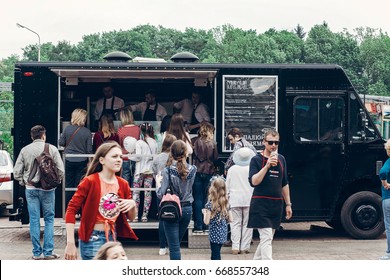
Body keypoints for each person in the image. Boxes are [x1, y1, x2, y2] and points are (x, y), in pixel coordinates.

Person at [64, 142, 138, 260]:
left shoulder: (123, 184)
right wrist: (71, 243)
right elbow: (71, 210)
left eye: (120, 157)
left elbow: (131, 218)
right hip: (92, 238)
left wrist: (133, 205)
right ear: (102, 160)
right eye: (114, 156)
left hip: (112, 238)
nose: (119, 160)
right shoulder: (90, 181)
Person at [14, 125, 65, 260]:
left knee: (34, 220)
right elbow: (61, 170)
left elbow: (16, 172)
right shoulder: (52, 149)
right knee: (49, 219)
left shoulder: (25, 150)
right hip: (48, 190)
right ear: (43, 136)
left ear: (32, 137)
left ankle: (36, 253)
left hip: (31, 189)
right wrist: (56, 181)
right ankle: (48, 252)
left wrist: (23, 182)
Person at [248, 129, 292, 260]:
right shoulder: (256, 159)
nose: (273, 145)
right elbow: (254, 181)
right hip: (260, 204)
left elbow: (284, 183)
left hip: (276, 204)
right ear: (264, 142)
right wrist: (267, 166)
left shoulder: (282, 159)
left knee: (267, 239)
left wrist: (288, 204)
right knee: (266, 237)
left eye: (276, 142)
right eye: (270, 142)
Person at [156, 140, 197, 260]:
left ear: (171, 154)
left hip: (172, 208)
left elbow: (160, 194)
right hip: (187, 209)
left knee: (174, 247)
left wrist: (158, 183)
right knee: (176, 243)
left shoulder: (167, 171)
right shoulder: (193, 169)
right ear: (185, 154)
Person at [59, 108, 93, 210]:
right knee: (80, 186)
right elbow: (89, 150)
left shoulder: (67, 129)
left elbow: (61, 143)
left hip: (68, 160)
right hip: (82, 161)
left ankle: (69, 210)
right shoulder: (87, 131)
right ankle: (79, 210)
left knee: (68, 186)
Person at [226, 147, 256, 255]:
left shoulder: (232, 169)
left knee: (235, 223)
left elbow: (227, 186)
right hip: (249, 198)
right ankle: (245, 247)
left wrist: (226, 198)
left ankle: (235, 246)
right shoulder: (252, 169)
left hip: (235, 199)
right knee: (247, 224)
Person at [152, 133, 177, 256]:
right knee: (174, 217)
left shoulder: (157, 158)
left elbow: (154, 172)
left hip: (160, 190)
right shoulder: (175, 158)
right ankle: (172, 244)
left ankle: (162, 246)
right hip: (174, 192)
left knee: (162, 218)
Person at [192, 122, 218, 233]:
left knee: (197, 198)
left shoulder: (195, 142)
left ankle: (198, 225)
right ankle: (206, 224)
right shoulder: (213, 143)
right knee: (207, 198)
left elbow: (193, 155)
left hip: (198, 171)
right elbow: (215, 158)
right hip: (209, 171)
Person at [129, 123, 158, 222]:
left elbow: (138, 157)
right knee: (147, 193)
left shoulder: (139, 143)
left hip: (139, 170)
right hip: (150, 171)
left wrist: (130, 156)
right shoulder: (155, 142)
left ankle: (136, 215)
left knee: (136, 193)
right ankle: (145, 215)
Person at [202, 177, 230, 260]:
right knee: (216, 253)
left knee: (215, 255)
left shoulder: (210, 205)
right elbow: (231, 219)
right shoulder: (226, 203)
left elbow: (206, 222)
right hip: (223, 233)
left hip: (214, 234)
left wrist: (204, 213)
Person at [117, 109, 141, 187]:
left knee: (125, 179)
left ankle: (126, 196)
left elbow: (119, 144)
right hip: (135, 157)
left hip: (125, 158)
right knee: (135, 180)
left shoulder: (120, 130)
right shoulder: (138, 128)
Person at [378, 139, 390, 260]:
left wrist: (385, 183)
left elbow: (382, 172)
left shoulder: (389, 162)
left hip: (388, 198)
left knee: (389, 226)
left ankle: (389, 252)